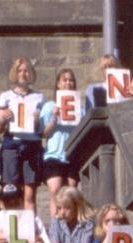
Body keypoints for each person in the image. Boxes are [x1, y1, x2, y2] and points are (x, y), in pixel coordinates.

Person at [0, 57, 44, 210]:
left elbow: (42, 130)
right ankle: (10, 229)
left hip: (32, 145)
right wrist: (2, 119)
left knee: (29, 193)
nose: (23, 74)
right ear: (14, 73)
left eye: (26, 70)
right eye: (20, 70)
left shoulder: (39, 97)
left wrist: (37, 121)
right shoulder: (5, 96)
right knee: (10, 191)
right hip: (11, 144)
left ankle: (30, 230)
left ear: (31, 73)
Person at [41, 69, 80, 220]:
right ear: (58, 84)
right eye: (64, 80)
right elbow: (44, 133)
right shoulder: (50, 105)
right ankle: (56, 227)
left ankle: (72, 226)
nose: (68, 83)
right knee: (55, 189)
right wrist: (53, 118)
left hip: (71, 154)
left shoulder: (78, 107)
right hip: (54, 154)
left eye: (71, 80)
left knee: (71, 190)